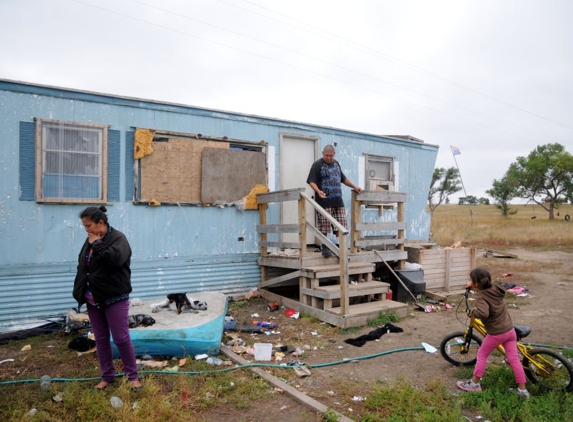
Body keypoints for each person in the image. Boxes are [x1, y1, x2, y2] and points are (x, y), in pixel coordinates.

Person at [72, 206, 143, 392]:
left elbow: (114, 261)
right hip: (93, 299)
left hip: (114, 297)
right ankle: (107, 377)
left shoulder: (118, 239)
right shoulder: (89, 240)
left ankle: (132, 377)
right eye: (84, 226)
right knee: (101, 339)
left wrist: (97, 244)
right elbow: (84, 265)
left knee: (120, 338)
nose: (86, 229)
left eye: (89, 226)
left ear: (100, 223)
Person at [456, 268, 529, 399]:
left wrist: (473, 312)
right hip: (509, 329)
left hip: (497, 333)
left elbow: (484, 313)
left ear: (477, 284)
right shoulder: (495, 288)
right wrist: (472, 285)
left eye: (472, 281)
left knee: (482, 354)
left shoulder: (481, 297)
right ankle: (522, 391)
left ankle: (474, 384)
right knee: (514, 359)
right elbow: (483, 287)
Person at [307, 144, 362, 257]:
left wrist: (354, 186)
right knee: (325, 225)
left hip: (338, 201)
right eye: (327, 155)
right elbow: (311, 181)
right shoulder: (317, 165)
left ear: (334, 154)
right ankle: (325, 246)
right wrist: (318, 191)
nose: (329, 158)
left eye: (331, 156)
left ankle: (340, 248)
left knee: (341, 225)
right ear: (323, 153)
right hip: (324, 201)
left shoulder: (336, 164)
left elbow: (343, 179)